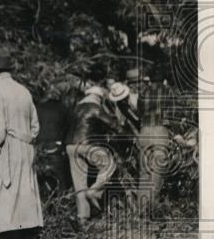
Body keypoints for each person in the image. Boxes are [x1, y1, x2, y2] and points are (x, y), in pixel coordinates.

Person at [0, 50, 43, 239]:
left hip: (7, 148)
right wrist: (26, 140)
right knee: (24, 201)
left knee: (4, 203)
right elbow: (36, 126)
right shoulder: (23, 90)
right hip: (25, 147)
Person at [65, 84, 120, 223]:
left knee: (79, 184)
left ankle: (82, 218)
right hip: (87, 144)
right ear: (99, 97)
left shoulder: (75, 109)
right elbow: (113, 124)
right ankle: (95, 191)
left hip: (70, 146)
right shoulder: (95, 107)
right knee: (109, 166)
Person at [129, 66, 174, 206]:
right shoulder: (168, 91)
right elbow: (171, 114)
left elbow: (139, 112)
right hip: (160, 130)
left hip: (144, 131)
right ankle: (153, 206)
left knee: (144, 170)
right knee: (158, 169)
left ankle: (141, 207)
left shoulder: (143, 92)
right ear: (164, 79)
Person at [34, 85, 72, 199]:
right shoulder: (63, 108)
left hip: (39, 147)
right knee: (61, 179)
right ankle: (61, 204)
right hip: (55, 146)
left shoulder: (37, 107)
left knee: (39, 180)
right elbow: (68, 127)